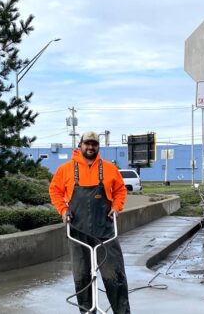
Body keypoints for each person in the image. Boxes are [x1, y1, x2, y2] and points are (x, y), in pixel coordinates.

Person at [49, 131, 131, 313]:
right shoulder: (66, 169)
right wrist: (63, 210)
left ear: (98, 146)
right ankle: (87, 311)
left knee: (114, 276)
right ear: (80, 145)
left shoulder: (109, 168)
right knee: (82, 277)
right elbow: (54, 190)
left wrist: (116, 208)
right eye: (87, 143)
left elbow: (120, 190)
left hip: (106, 232)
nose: (90, 147)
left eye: (94, 144)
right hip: (78, 232)